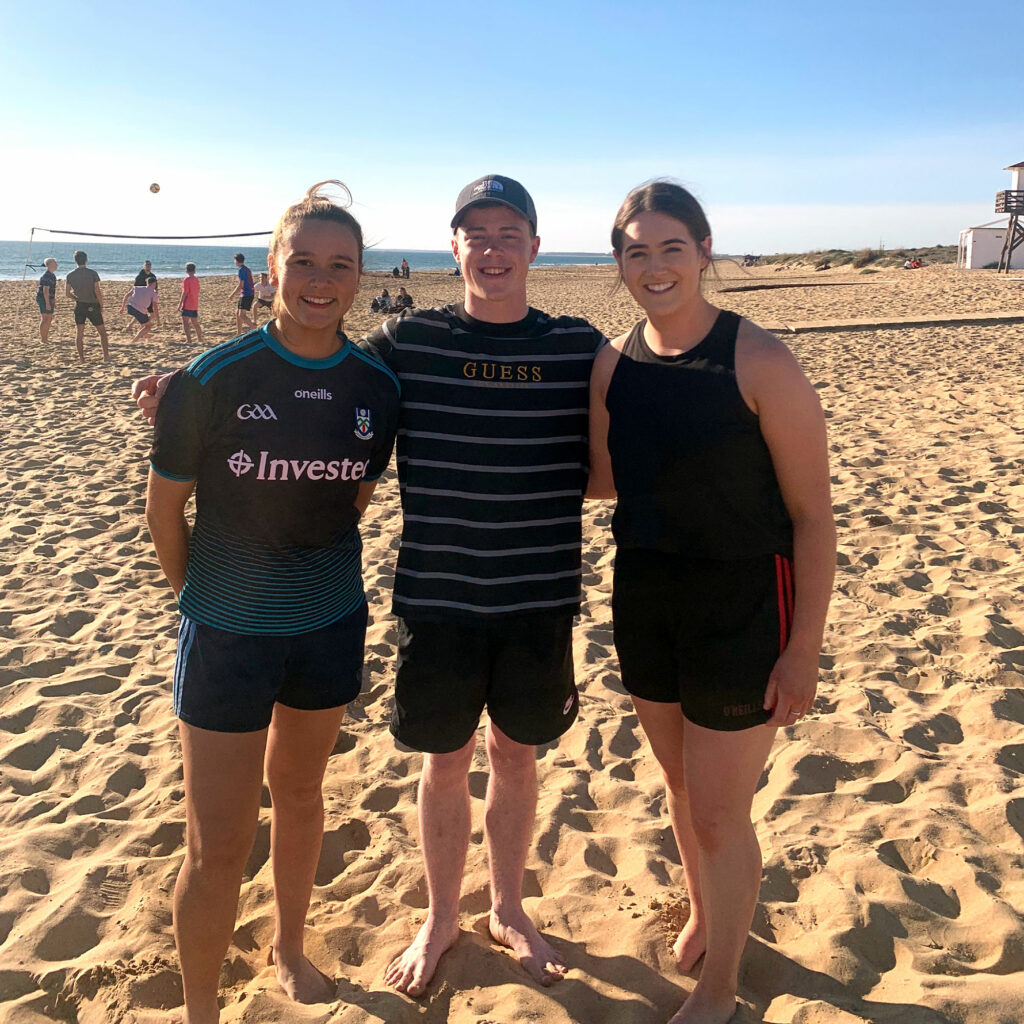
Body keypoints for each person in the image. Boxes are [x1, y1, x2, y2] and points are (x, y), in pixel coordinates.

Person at [134, 174, 605, 998]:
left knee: (488, 763)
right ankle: (426, 921)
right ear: (452, 246)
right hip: (404, 603)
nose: (492, 250)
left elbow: (622, 443)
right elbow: (281, 377)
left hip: (496, 603)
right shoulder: (405, 346)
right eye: (476, 234)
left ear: (533, 244)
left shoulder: (565, 346)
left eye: (508, 235)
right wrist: (183, 389)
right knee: (423, 770)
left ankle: (480, 911)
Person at [145, 181, 400, 1024]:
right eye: (303, 262)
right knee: (217, 845)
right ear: (271, 267)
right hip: (226, 634)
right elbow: (162, 511)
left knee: (299, 797)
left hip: (327, 625)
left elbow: (354, 500)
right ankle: (200, 1011)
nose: (319, 280)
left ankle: (290, 949)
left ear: (359, 276)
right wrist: (201, 599)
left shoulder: (375, 384)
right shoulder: (210, 378)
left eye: (339, 265)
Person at [587, 181, 835, 1024]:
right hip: (646, 596)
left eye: (670, 248)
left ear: (702, 251)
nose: (653, 267)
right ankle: (703, 911)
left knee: (724, 812)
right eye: (635, 251)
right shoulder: (614, 364)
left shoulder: (760, 360)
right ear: (617, 261)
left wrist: (802, 649)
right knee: (680, 787)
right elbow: (604, 480)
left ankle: (722, 990)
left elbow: (813, 515)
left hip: (743, 606)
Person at [65, 250, 110, 362]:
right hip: (92, 304)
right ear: (86, 260)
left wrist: (77, 298)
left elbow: (67, 293)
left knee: (79, 333)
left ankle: (82, 359)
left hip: (80, 305)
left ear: (75, 260)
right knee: (102, 332)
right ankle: (106, 357)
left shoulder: (70, 275)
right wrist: (101, 304)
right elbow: (97, 290)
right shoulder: (92, 273)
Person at [121, 275, 161, 342]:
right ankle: (134, 340)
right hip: (139, 310)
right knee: (148, 326)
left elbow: (126, 296)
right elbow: (155, 308)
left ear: (147, 283)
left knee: (143, 321)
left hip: (130, 307)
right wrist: (158, 321)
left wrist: (122, 307)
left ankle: (144, 334)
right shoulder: (154, 293)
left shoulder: (137, 288)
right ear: (154, 284)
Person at [230, 252, 256, 332]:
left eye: (234, 260)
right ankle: (239, 333)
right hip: (248, 293)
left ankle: (254, 329)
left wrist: (232, 294)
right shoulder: (246, 269)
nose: (234, 262)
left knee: (242, 315)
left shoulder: (241, 270)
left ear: (236, 261)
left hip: (246, 294)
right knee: (237, 313)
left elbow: (241, 285)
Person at [178, 263, 204, 345]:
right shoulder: (196, 279)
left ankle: (189, 340)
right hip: (194, 303)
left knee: (185, 323)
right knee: (195, 323)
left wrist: (180, 304)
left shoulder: (187, 280)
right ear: (194, 270)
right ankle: (200, 339)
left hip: (188, 304)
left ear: (186, 270)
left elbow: (184, 293)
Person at [36, 257, 58, 343]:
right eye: (55, 263)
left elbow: (52, 290)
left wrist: (53, 300)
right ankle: (43, 339)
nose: (57, 265)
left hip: (49, 298)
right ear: (50, 265)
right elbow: (45, 291)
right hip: (43, 298)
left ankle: (46, 338)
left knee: (49, 318)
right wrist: (47, 303)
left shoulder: (52, 275)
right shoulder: (46, 276)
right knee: (45, 318)